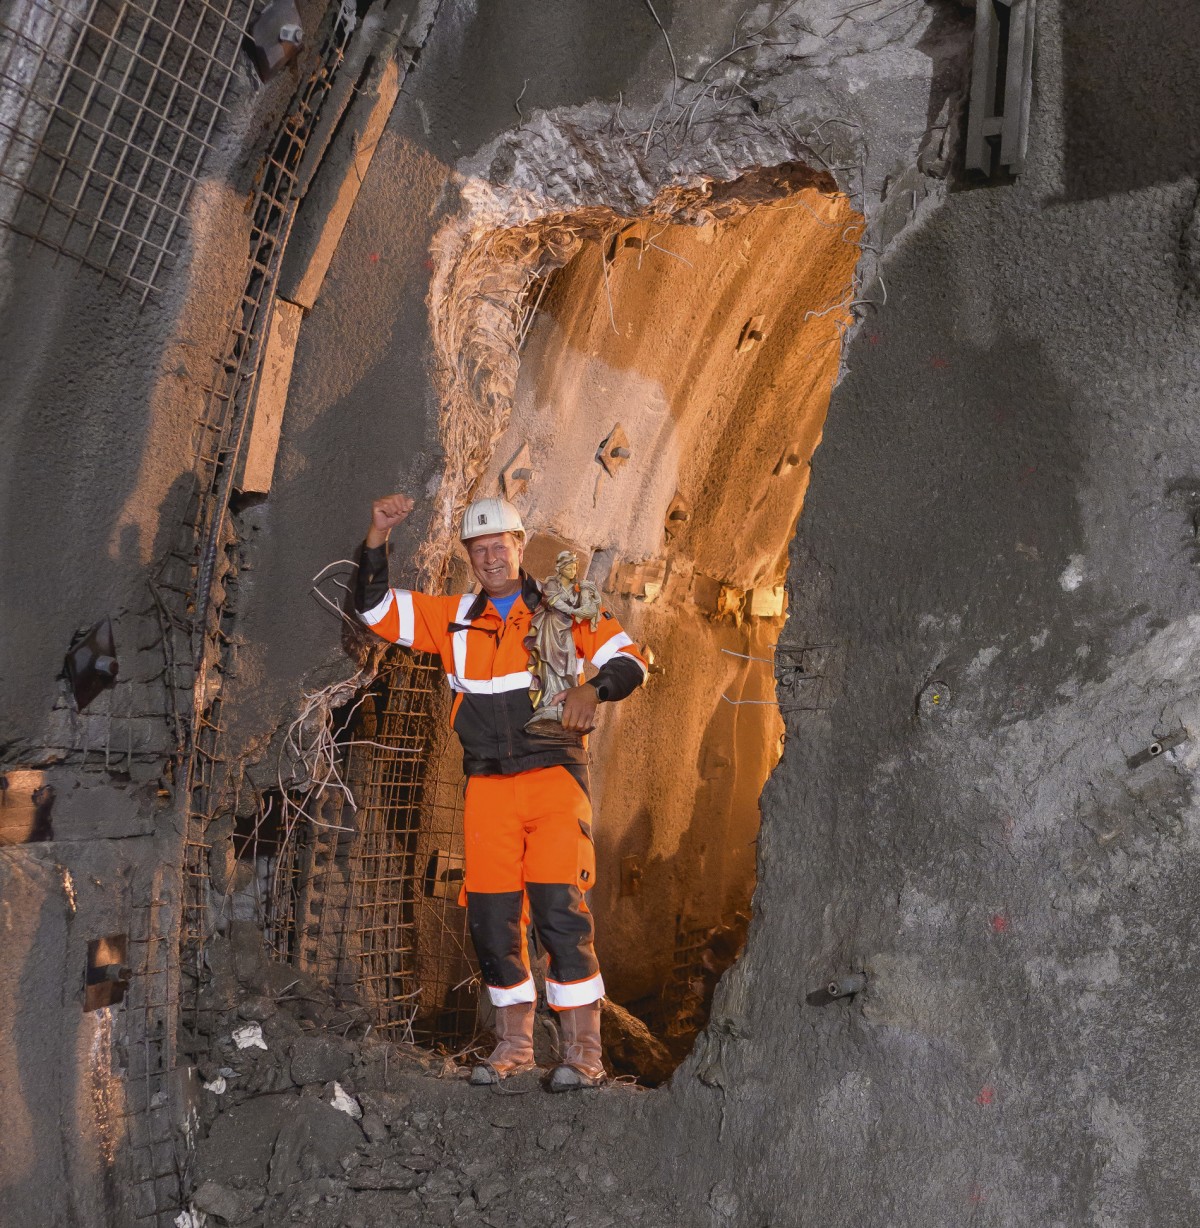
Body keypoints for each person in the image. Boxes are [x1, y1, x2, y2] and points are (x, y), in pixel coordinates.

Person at [354, 493, 647, 1090]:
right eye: (478, 549)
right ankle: (514, 1046)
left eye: (500, 546)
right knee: (491, 918)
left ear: (520, 545)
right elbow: (376, 609)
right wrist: (377, 535)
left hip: (553, 778)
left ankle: (583, 1055)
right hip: (487, 785)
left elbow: (631, 659)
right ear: (469, 556)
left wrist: (596, 688)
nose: (490, 557)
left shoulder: (565, 613)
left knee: (560, 913)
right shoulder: (454, 617)